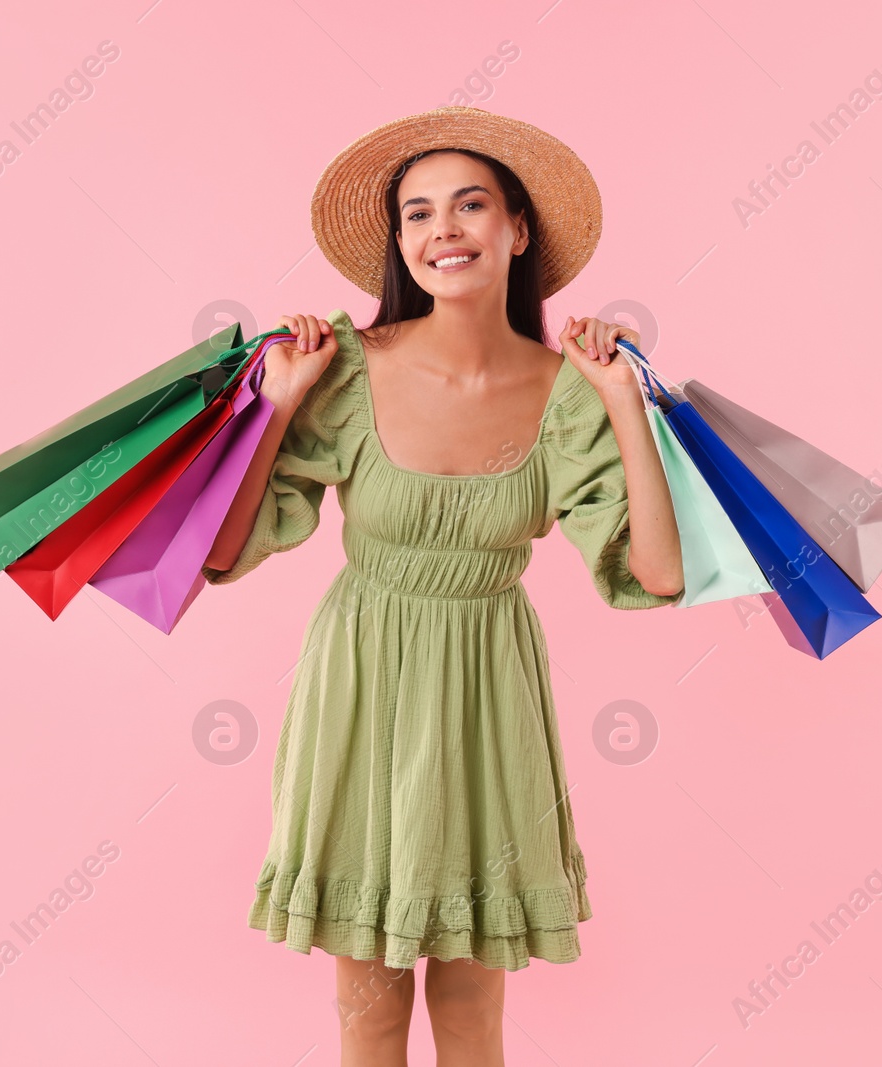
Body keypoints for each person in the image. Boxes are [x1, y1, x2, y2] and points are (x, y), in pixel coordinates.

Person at [201, 105, 685, 1067]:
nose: (443, 231)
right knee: (368, 1014)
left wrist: (625, 404)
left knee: (471, 1016)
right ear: (399, 243)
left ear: (518, 230)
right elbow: (220, 552)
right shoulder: (342, 369)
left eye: (469, 206)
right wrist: (281, 401)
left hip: (487, 703)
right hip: (360, 694)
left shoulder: (570, 391)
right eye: (417, 214)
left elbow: (657, 574)